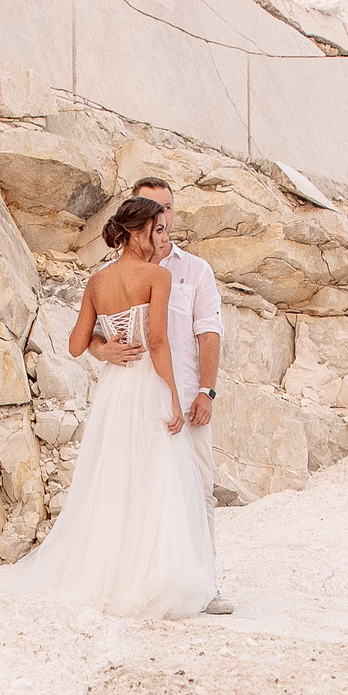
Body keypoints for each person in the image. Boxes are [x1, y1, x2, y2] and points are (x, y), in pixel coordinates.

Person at [0, 197, 217, 618]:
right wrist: (172, 391)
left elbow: (77, 345)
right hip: (148, 385)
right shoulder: (156, 276)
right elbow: (157, 343)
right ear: (137, 233)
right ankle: (144, 578)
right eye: (159, 230)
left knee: (115, 480)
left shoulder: (97, 282)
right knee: (155, 480)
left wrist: (106, 348)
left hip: (115, 392)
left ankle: (107, 576)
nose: (164, 238)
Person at [89, 177, 232, 615]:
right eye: (154, 209)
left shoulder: (195, 270)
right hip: (140, 399)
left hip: (185, 396)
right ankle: (137, 579)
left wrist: (205, 391)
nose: (163, 217)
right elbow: (94, 336)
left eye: (168, 209)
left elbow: (209, 332)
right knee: (139, 488)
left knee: (198, 490)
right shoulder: (117, 271)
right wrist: (105, 349)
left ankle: (204, 585)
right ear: (135, 219)